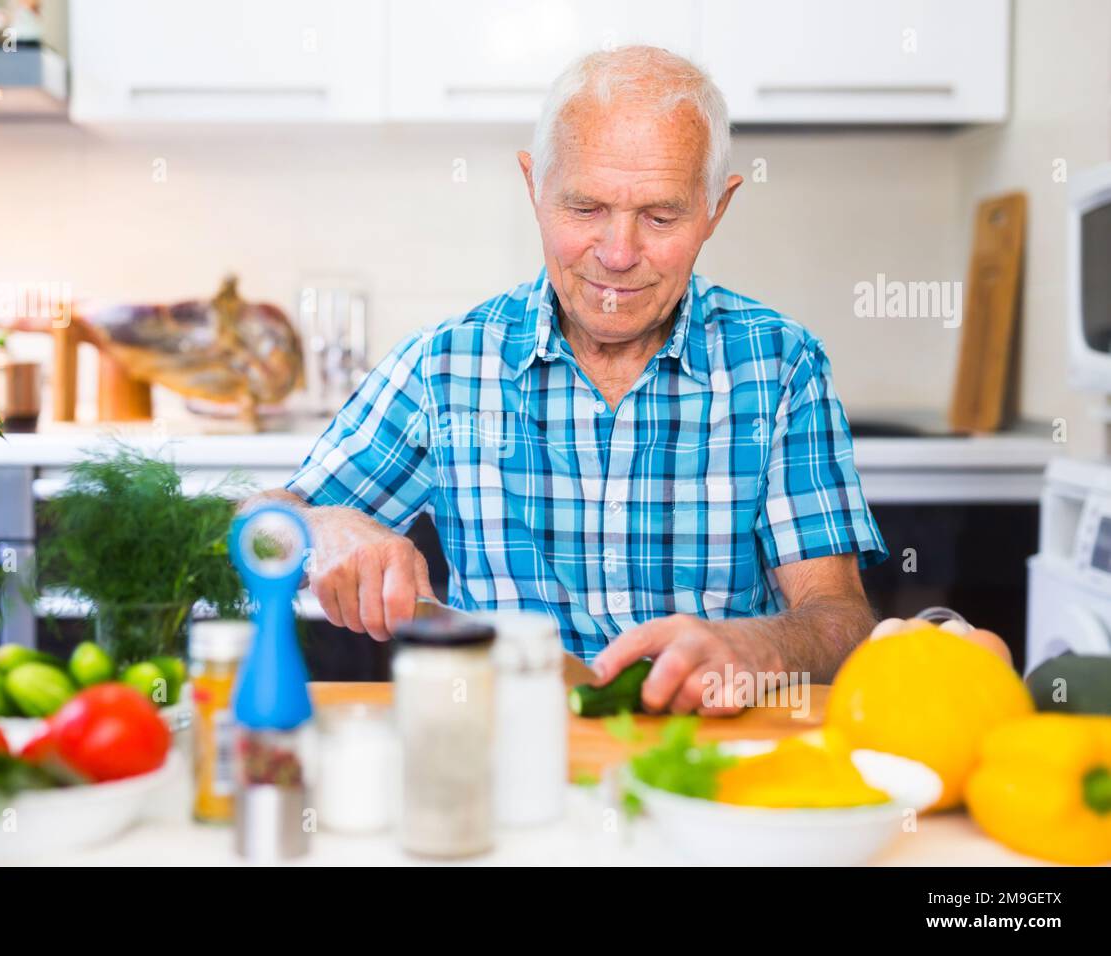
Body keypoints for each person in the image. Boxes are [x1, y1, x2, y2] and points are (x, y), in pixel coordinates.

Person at [248, 46, 886, 714]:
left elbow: (841, 620)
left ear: (714, 209)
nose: (617, 254)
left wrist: (761, 648)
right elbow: (248, 528)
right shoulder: (447, 367)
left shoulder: (779, 364)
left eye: (661, 216)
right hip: (504, 758)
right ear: (535, 188)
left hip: (710, 768)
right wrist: (318, 528)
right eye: (584, 209)